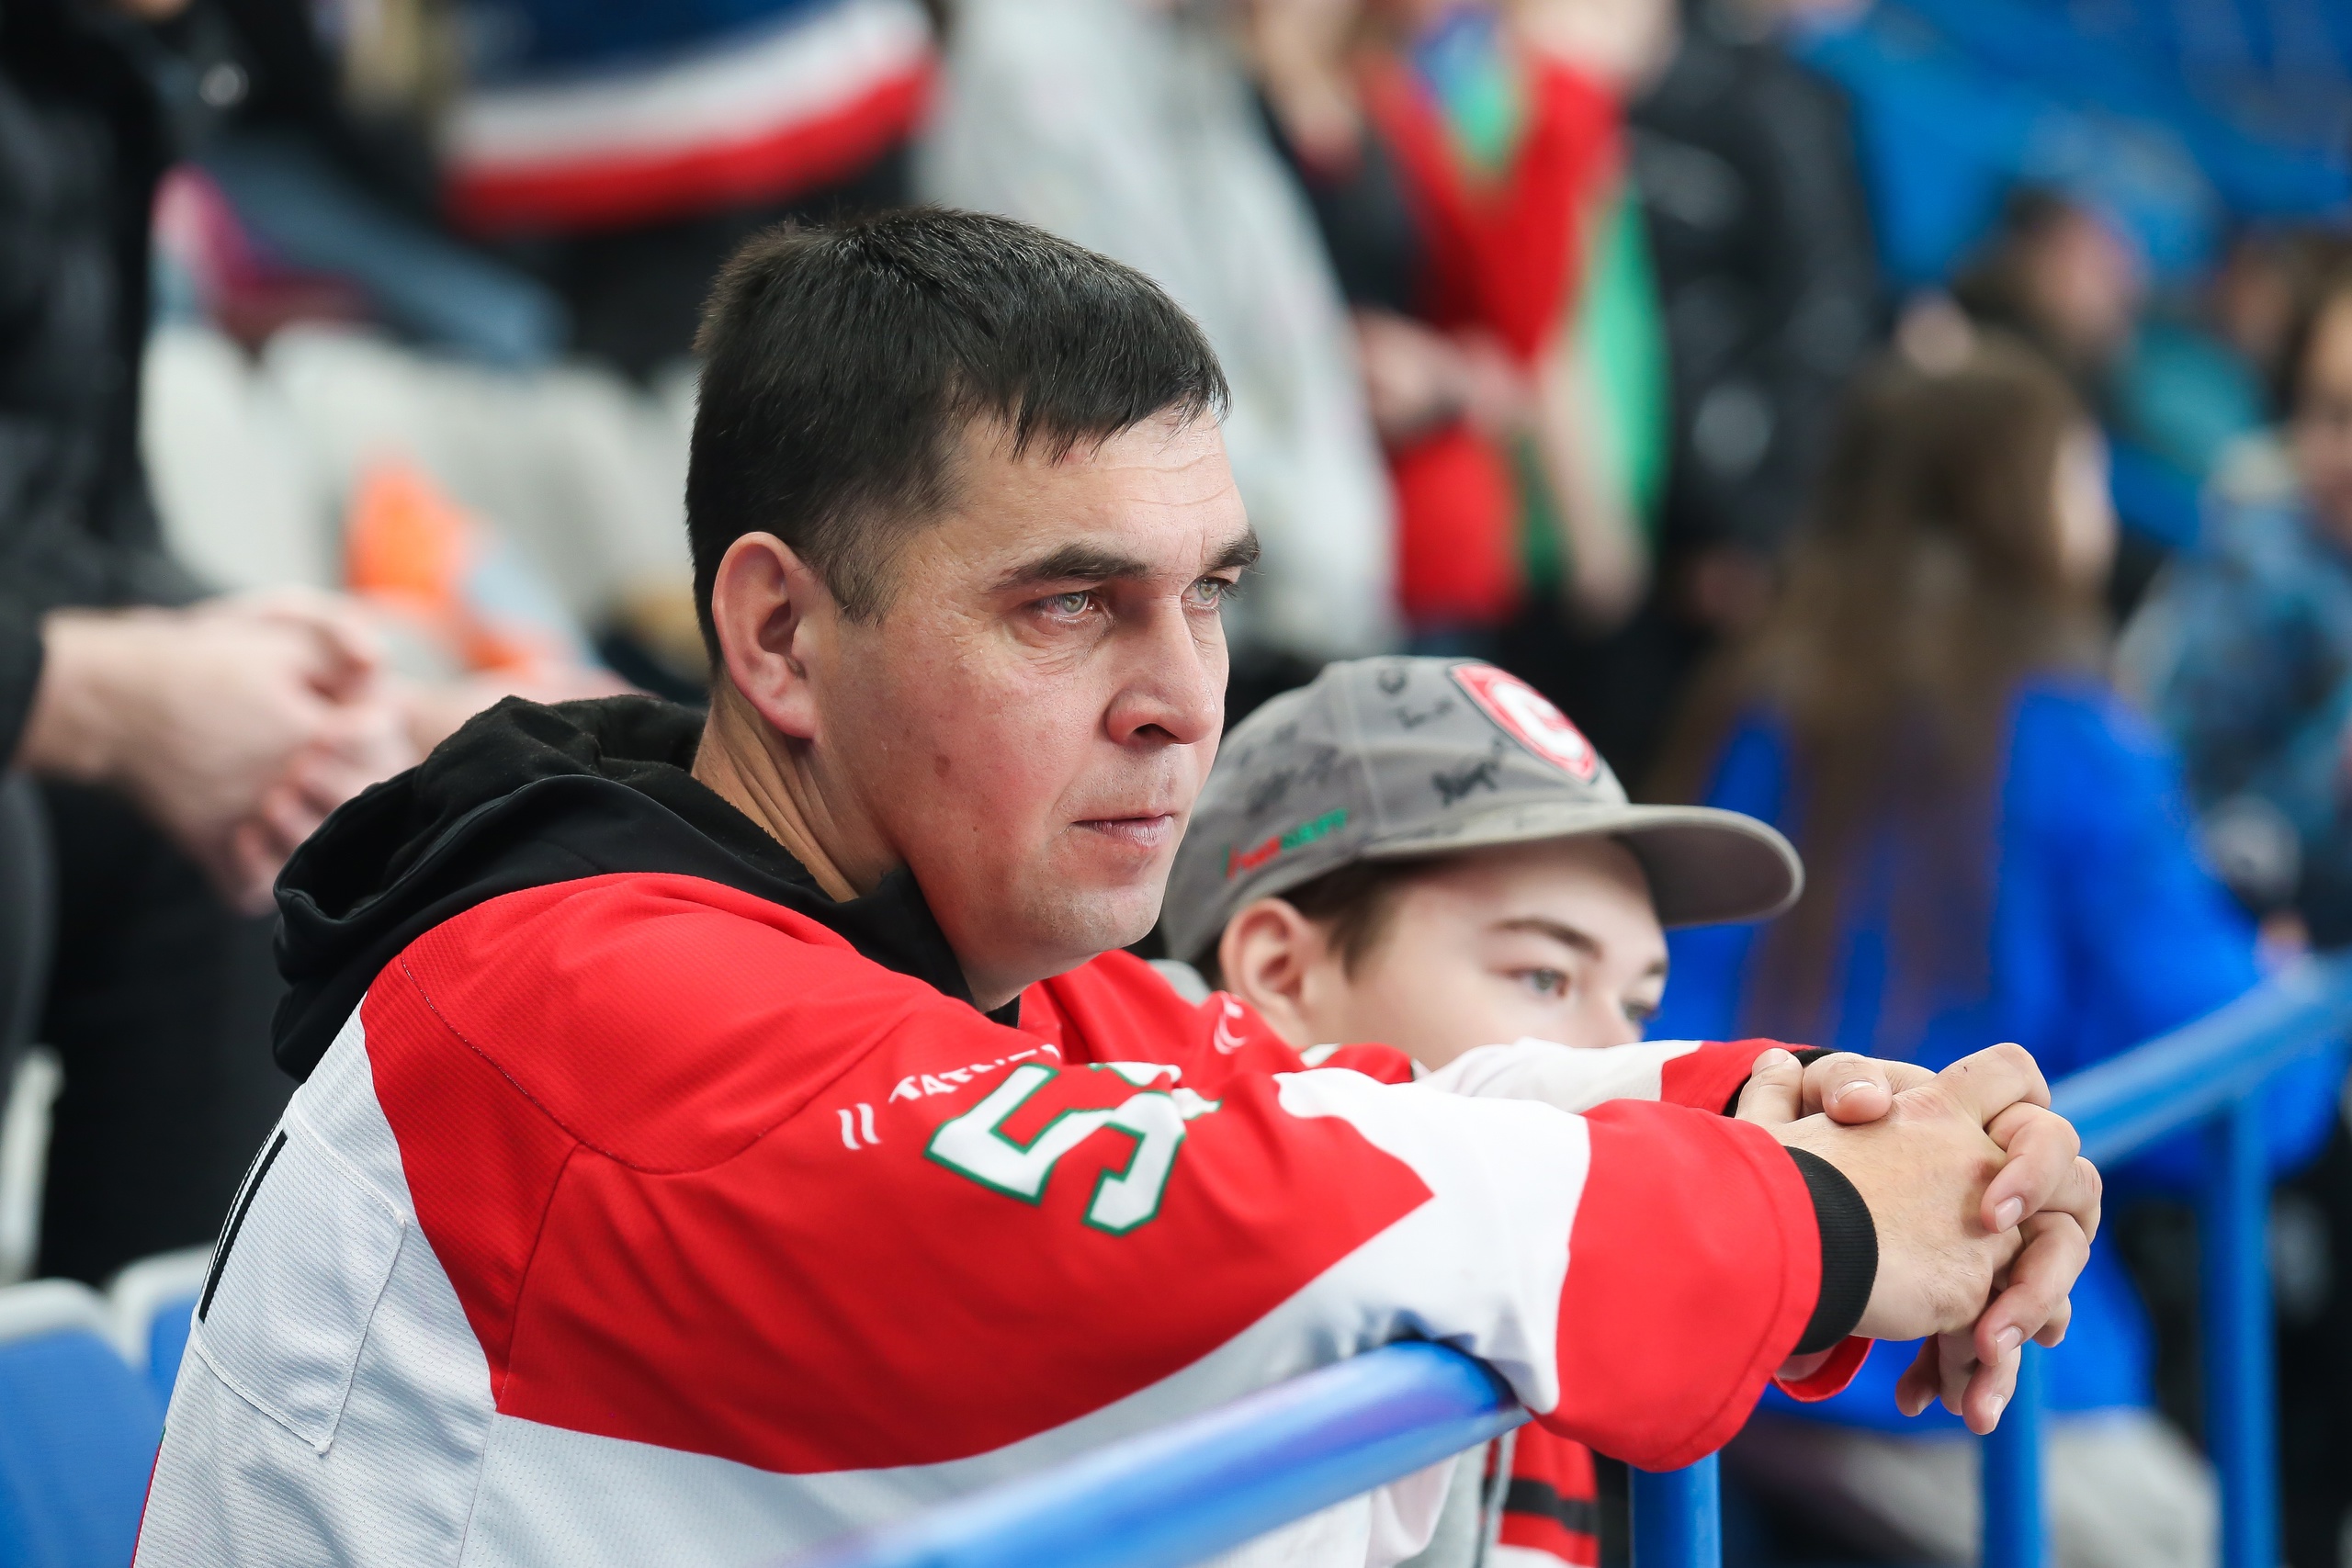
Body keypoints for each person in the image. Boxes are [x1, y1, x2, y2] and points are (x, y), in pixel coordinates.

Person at [137, 210, 2097, 1568]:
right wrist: (1825, 1226)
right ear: (782, 637)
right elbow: (1281, 1225)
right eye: (1068, 604)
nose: (1180, 700)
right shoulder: (575, 1006)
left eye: (1209, 595)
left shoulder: (971, 961)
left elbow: (1376, 1109)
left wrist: (1800, 1111)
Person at [1653, 336, 2341, 1568]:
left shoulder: (1749, 705)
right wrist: (2281, 994)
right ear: (2024, 503)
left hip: (1730, 1340)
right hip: (1951, 1368)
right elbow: (2256, 1097)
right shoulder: (2072, 740)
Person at [1158, 653, 1817, 1566]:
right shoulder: (1151, 1301)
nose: (1616, 1049)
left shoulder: (1527, 1299)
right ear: (1282, 971)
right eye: (1544, 976)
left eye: (1638, 1004)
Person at [0, 0, 423, 1284]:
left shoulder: (105, 75)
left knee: (272, 829)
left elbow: (74, 526)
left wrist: (342, 699)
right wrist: (91, 694)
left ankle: (162, 1393)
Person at [2133, 265, 2352, 948]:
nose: (2345, 453)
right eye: (2332, 413)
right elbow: (2187, 802)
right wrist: (2330, 769)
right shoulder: (2254, 564)